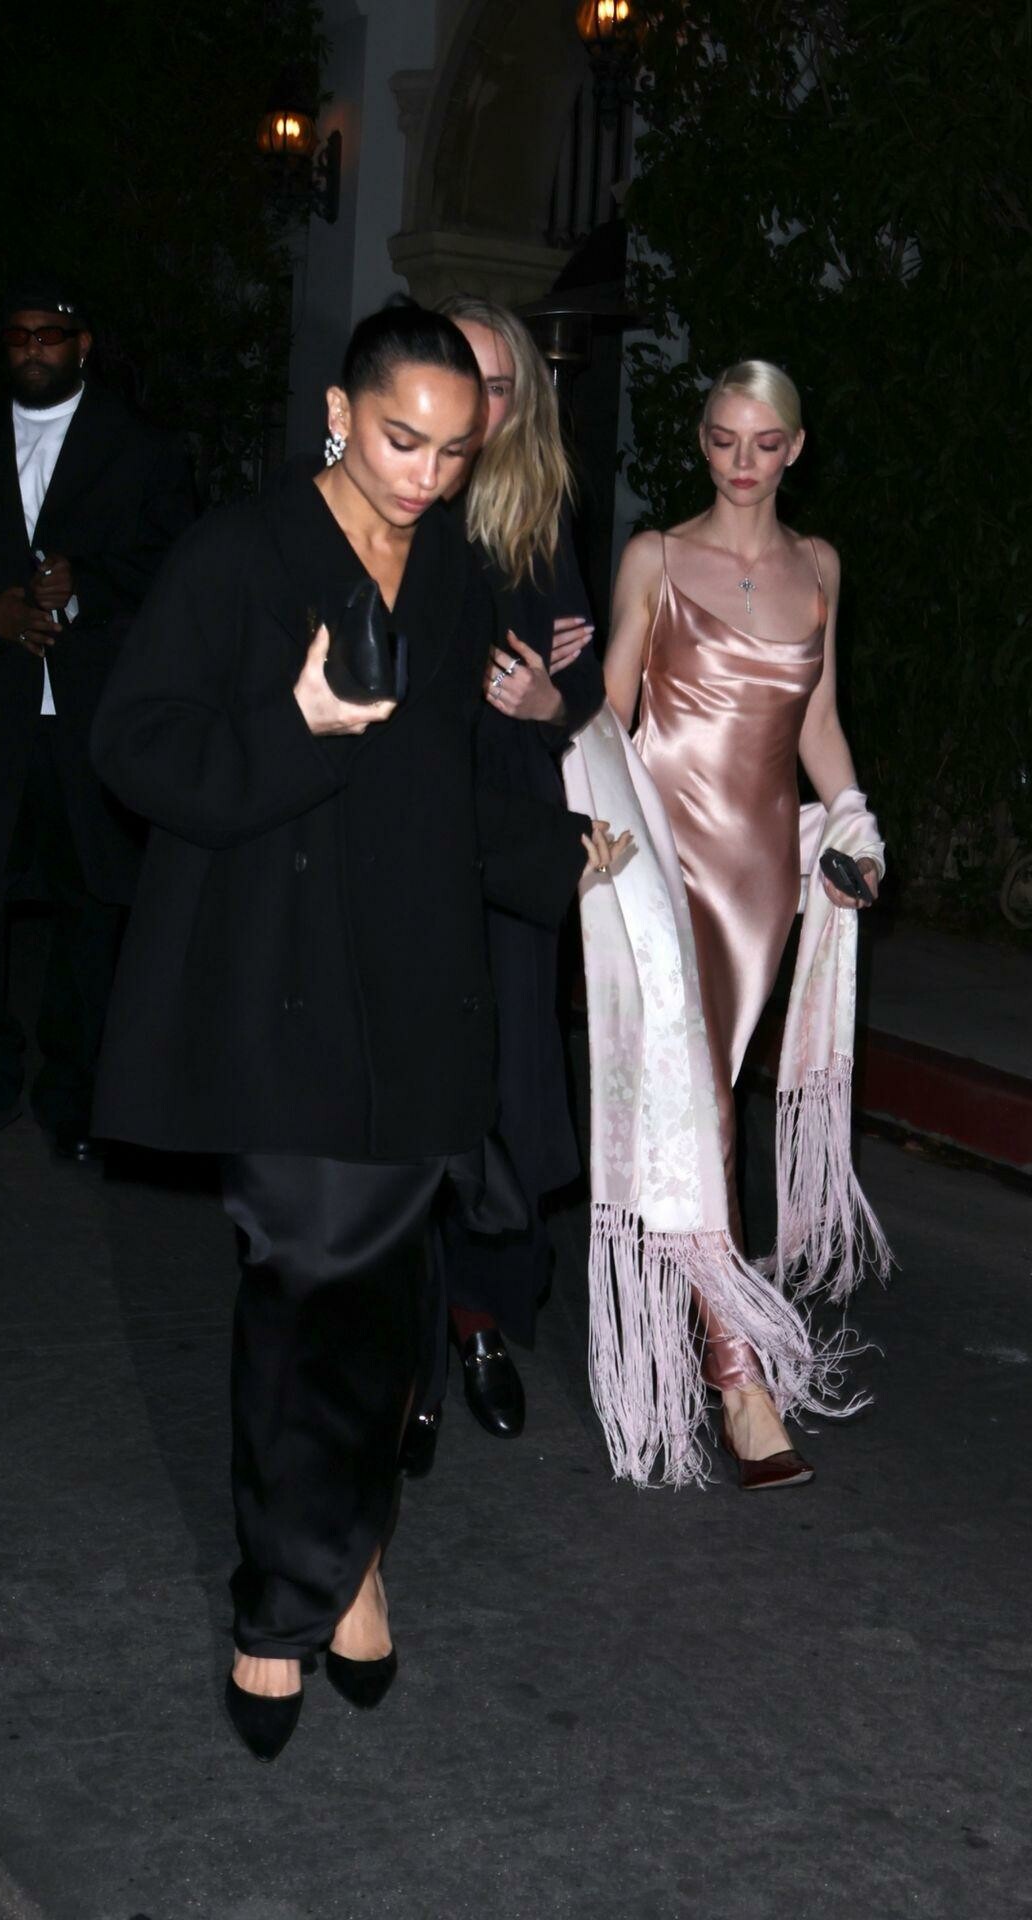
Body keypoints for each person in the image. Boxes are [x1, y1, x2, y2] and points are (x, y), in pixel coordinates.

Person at [88, 305, 627, 1761]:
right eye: (401, 441)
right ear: (339, 412)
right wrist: (298, 729)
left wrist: (553, 856)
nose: (425, 477)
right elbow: (133, 744)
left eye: (453, 454)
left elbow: (459, 771)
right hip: (276, 979)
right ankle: (282, 1607)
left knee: (383, 1300)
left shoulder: (454, 567)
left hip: (417, 980)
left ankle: (352, 1546)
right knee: (303, 1280)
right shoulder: (239, 555)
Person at [600, 358, 884, 1490]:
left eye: (764, 444)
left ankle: (693, 1310)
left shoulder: (819, 567)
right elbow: (612, 712)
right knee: (702, 1103)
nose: (740, 463)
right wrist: (595, 843)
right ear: (701, 440)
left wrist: (855, 824)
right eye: (722, 440)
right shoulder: (656, 558)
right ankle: (737, 1380)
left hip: (761, 876)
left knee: (711, 1088)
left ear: (794, 448)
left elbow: (816, 721)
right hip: (664, 862)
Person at [0, 281, 196, 1164]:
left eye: (51, 334)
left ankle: (77, 1095)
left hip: (91, 720)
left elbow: (178, 567)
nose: (33, 347)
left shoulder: (143, 449)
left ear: (83, 344)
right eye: (20, 335)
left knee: (92, 911)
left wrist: (86, 587)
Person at [399, 294, 604, 1468]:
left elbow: (581, 670)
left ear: (521, 397)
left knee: (505, 1080)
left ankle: (476, 1323)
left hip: (510, 824)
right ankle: (407, 1353)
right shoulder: (391, 494)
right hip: (405, 815)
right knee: (408, 1083)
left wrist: (548, 700)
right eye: (457, 376)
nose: (476, 406)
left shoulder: (537, 509)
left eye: (496, 384)